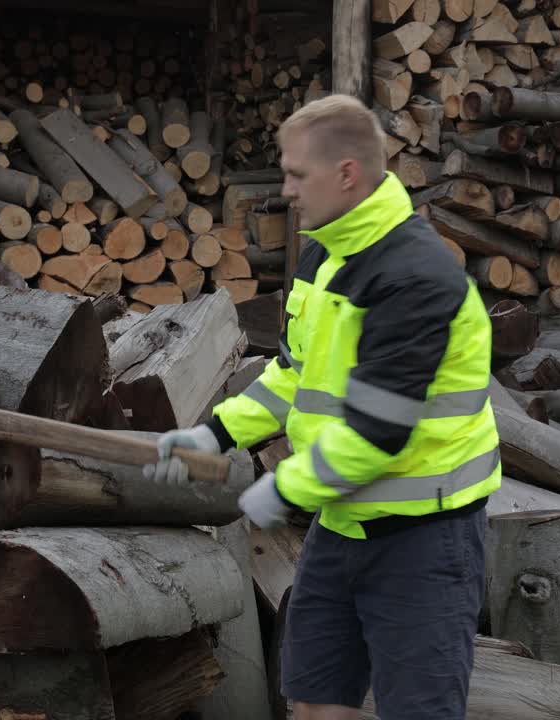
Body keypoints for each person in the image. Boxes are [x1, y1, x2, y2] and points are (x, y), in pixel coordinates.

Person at [143, 93, 501, 720]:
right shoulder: (324, 256)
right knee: (312, 702)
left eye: (297, 174)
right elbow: (294, 374)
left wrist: (279, 491)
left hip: (424, 540)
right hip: (339, 530)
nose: (285, 190)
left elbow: (375, 433)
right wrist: (216, 435)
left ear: (346, 174)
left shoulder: (416, 277)